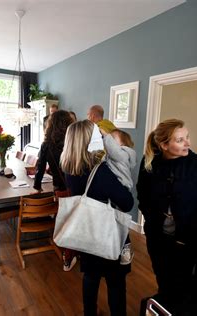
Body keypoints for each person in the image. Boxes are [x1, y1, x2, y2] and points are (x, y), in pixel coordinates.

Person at [136, 118, 197, 314]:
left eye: (187, 137)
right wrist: (151, 218)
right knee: (163, 280)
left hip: (189, 241)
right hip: (157, 238)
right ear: (164, 145)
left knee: (185, 287)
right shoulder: (149, 162)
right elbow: (142, 194)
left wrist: (193, 222)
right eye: (180, 140)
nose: (188, 143)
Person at [60, 120, 133, 316]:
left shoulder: (70, 168)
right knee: (116, 282)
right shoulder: (99, 171)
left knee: (91, 277)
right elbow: (127, 203)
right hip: (108, 233)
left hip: (86, 231)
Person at [31, 110, 76, 271]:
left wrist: (37, 186)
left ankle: (67, 254)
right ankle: (75, 252)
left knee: (64, 219)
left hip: (61, 188)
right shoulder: (75, 142)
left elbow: (40, 167)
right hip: (78, 187)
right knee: (75, 220)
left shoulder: (46, 145)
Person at [100, 128, 137, 265]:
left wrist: (105, 134)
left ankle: (126, 246)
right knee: (115, 220)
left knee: (120, 221)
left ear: (122, 145)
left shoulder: (123, 155)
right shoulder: (112, 157)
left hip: (121, 188)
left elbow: (113, 150)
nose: (109, 143)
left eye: (113, 140)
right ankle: (117, 245)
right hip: (114, 191)